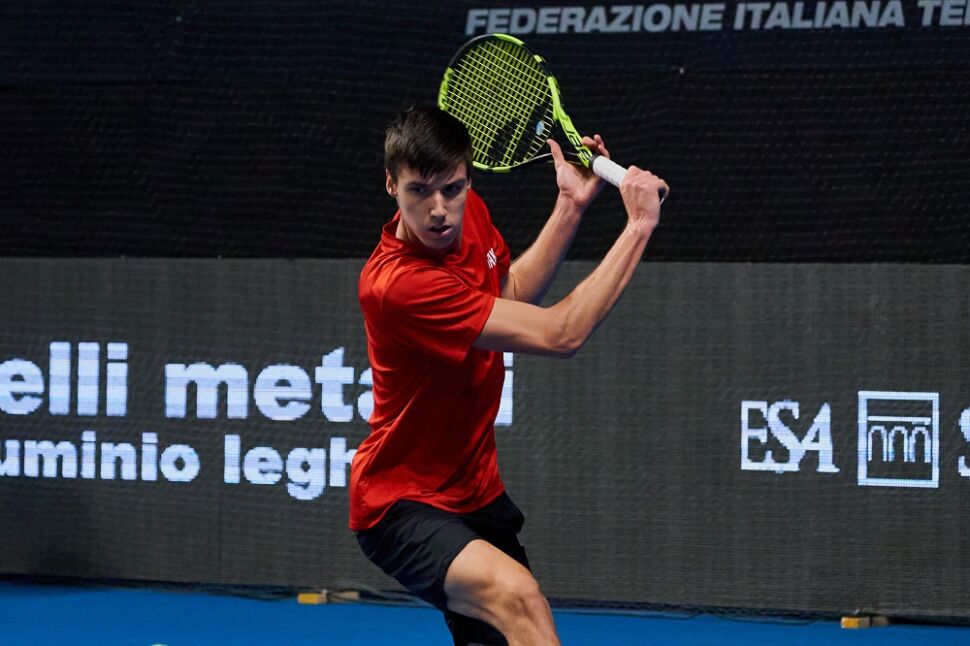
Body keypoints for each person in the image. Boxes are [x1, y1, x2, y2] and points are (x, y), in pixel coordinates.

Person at [350, 106, 668, 646]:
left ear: (467, 176)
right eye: (419, 191)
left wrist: (570, 207)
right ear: (390, 184)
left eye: (452, 188)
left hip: (476, 494)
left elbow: (509, 297)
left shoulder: (468, 212)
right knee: (521, 602)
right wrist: (638, 225)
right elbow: (559, 334)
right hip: (401, 503)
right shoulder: (398, 286)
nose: (438, 210)